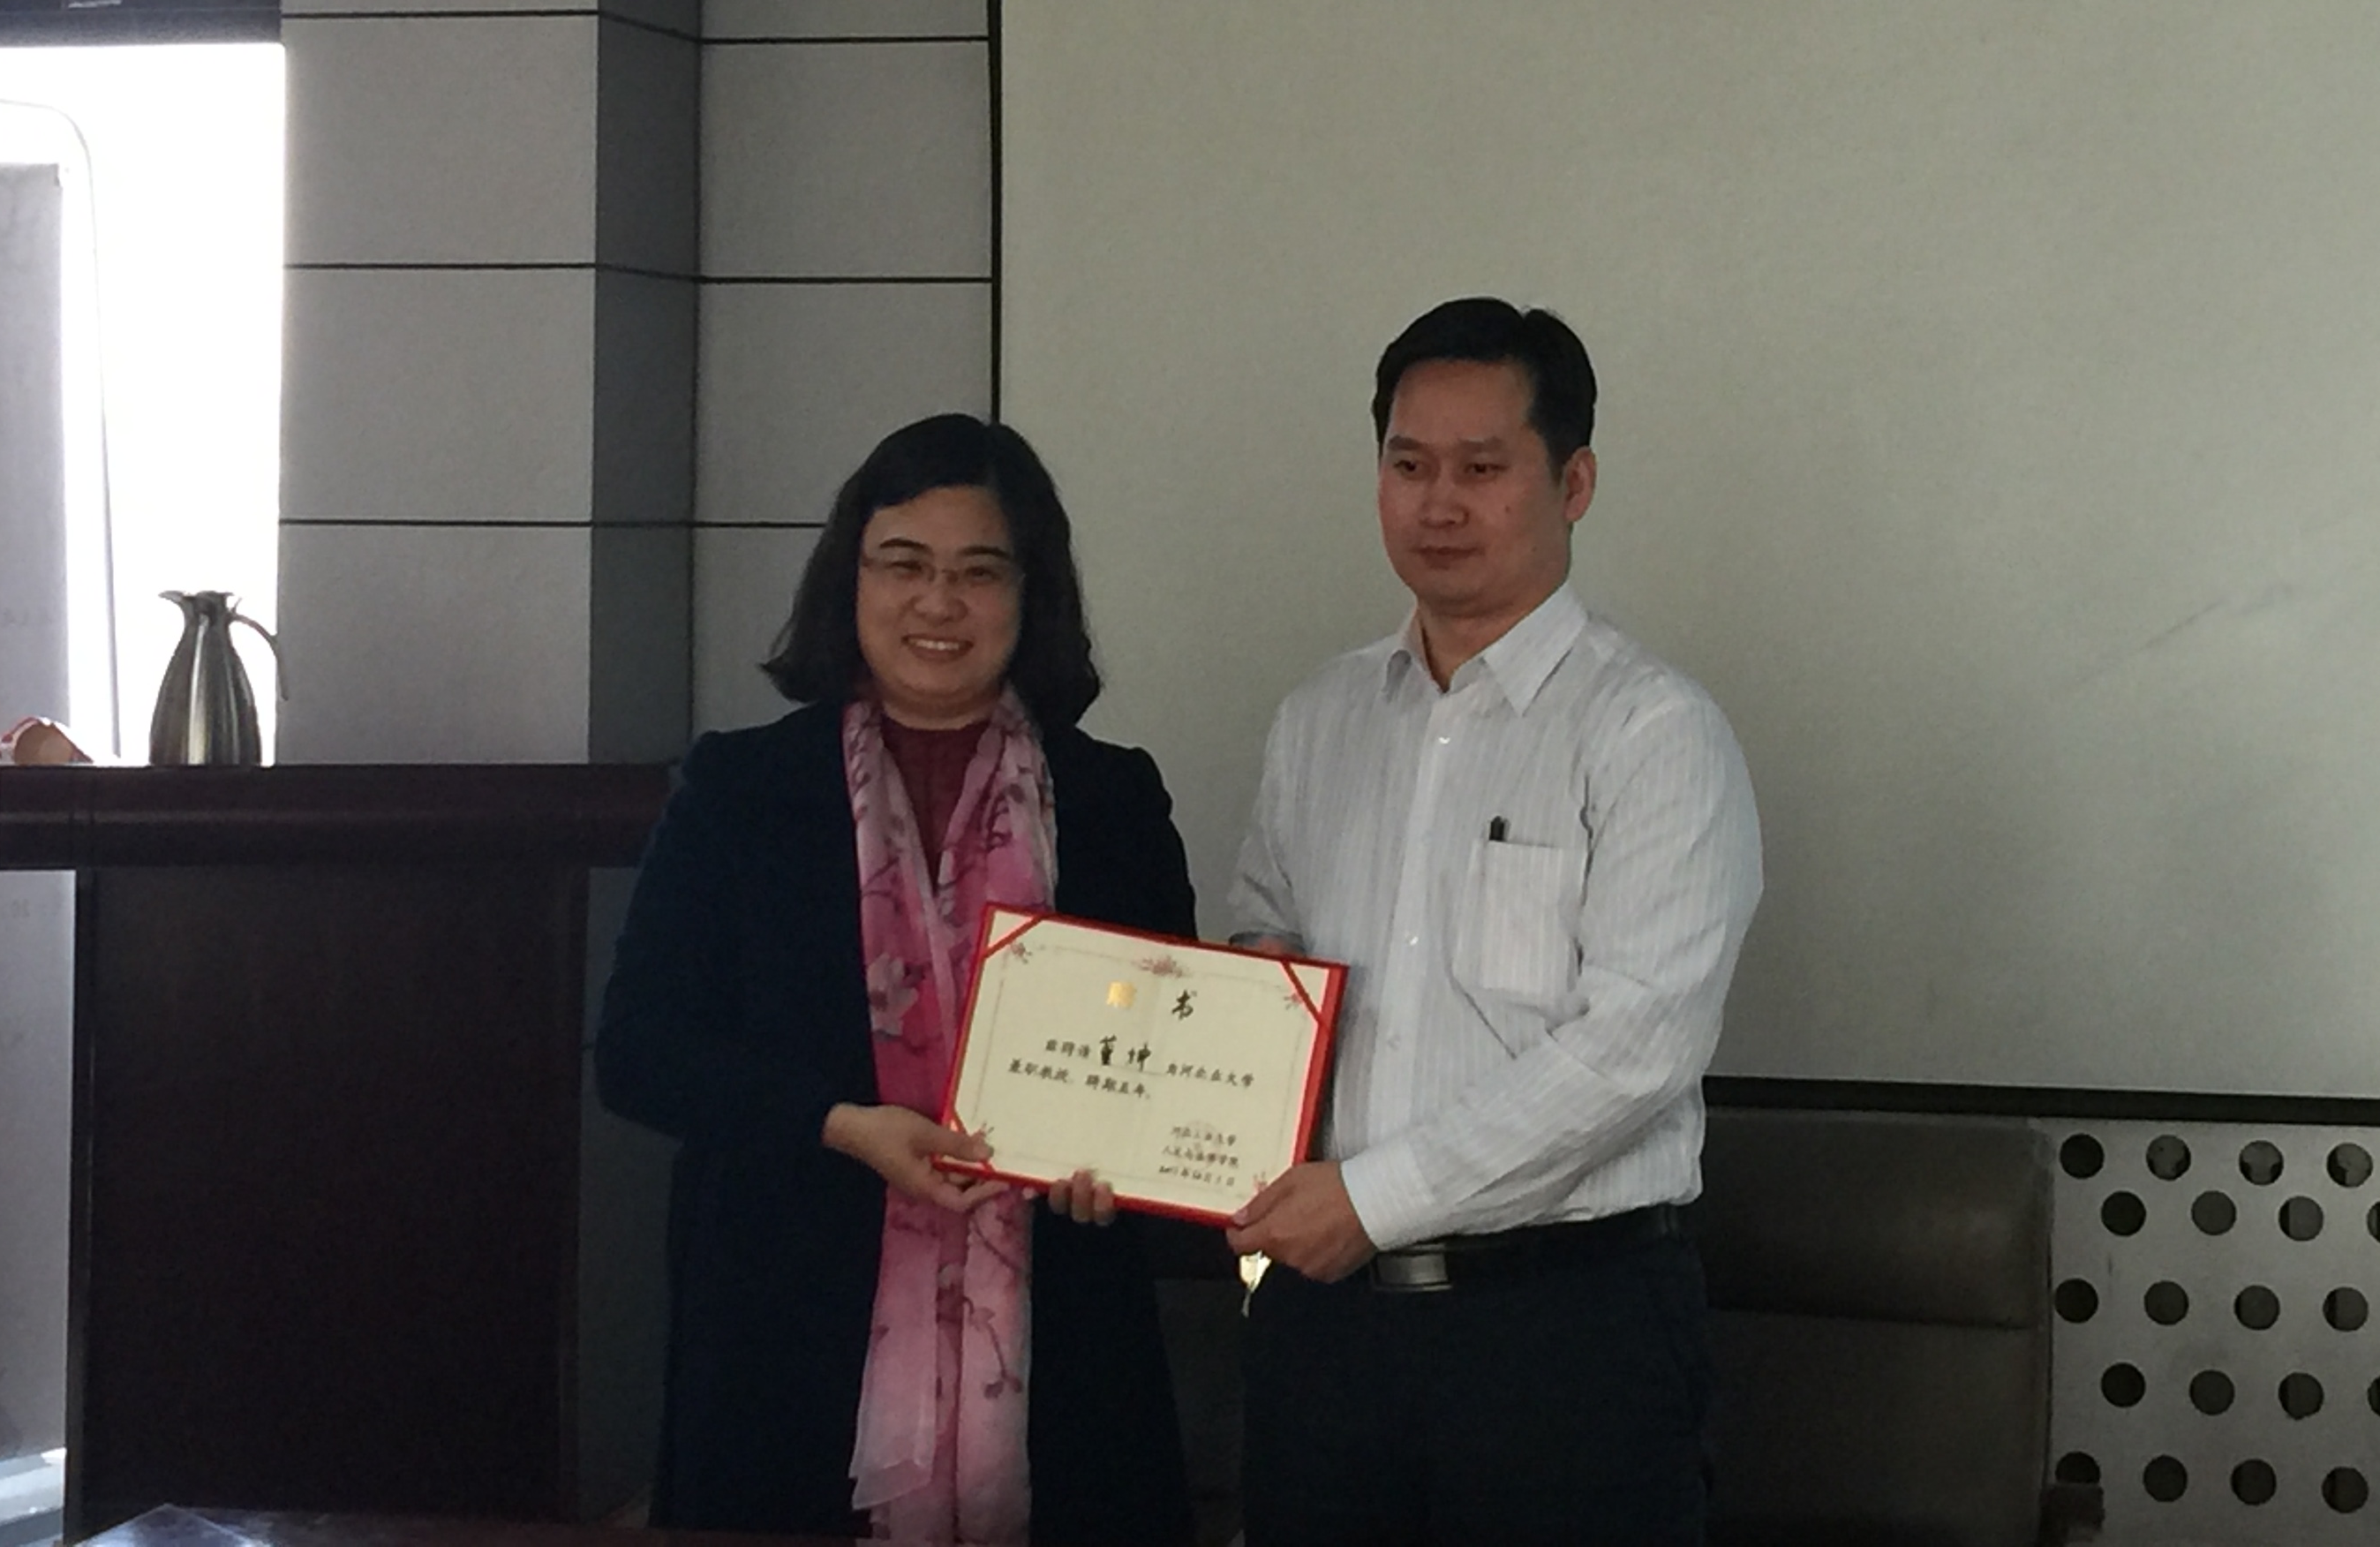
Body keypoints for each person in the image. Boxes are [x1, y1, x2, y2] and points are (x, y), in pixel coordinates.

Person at [596, 413, 1195, 1547]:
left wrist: (1122, 1158)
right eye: (904, 564)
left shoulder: (1112, 798)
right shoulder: (740, 791)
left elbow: (1163, 1060)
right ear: (851, 580)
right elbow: (639, 1053)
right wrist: (837, 1124)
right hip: (787, 1324)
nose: (938, 603)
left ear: (1031, 593)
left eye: (980, 572)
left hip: (1061, 1329)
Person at [1224, 297, 1765, 1547]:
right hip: (1325, 1329)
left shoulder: (1651, 731)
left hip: (1564, 1329)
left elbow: (1633, 1049)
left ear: (1573, 483)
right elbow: (1264, 939)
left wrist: (1373, 1199)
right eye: (1409, 465)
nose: (1439, 504)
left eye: (1482, 468)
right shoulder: (1319, 719)